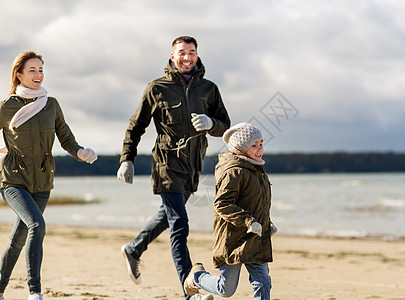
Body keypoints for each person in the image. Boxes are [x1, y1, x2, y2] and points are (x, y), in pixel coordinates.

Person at [117, 36, 230, 300]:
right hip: (166, 164)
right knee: (179, 223)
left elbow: (226, 125)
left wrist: (211, 124)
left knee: (166, 217)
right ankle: (191, 290)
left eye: (191, 53)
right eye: (182, 53)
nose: (187, 58)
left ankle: (134, 249)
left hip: (193, 166)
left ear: (197, 55)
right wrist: (127, 159)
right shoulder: (157, 88)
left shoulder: (209, 89)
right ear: (172, 56)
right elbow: (136, 126)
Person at [0, 51, 97, 300]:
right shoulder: (6, 107)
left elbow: (65, 136)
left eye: (41, 69)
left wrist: (80, 152)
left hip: (42, 181)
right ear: (18, 74)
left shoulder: (50, 104)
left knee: (18, 238)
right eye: (32, 70)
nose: (38, 74)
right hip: (13, 180)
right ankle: (35, 292)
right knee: (37, 225)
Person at [183, 122, 277, 300]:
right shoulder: (233, 171)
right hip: (233, 239)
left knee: (263, 282)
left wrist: (266, 224)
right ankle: (196, 278)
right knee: (226, 289)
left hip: (255, 237)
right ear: (240, 149)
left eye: (261, 144)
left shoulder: (257, 170)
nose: (260, 150)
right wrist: (249, 221)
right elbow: (222, 203)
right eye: (254, 145)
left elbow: (258, 203)